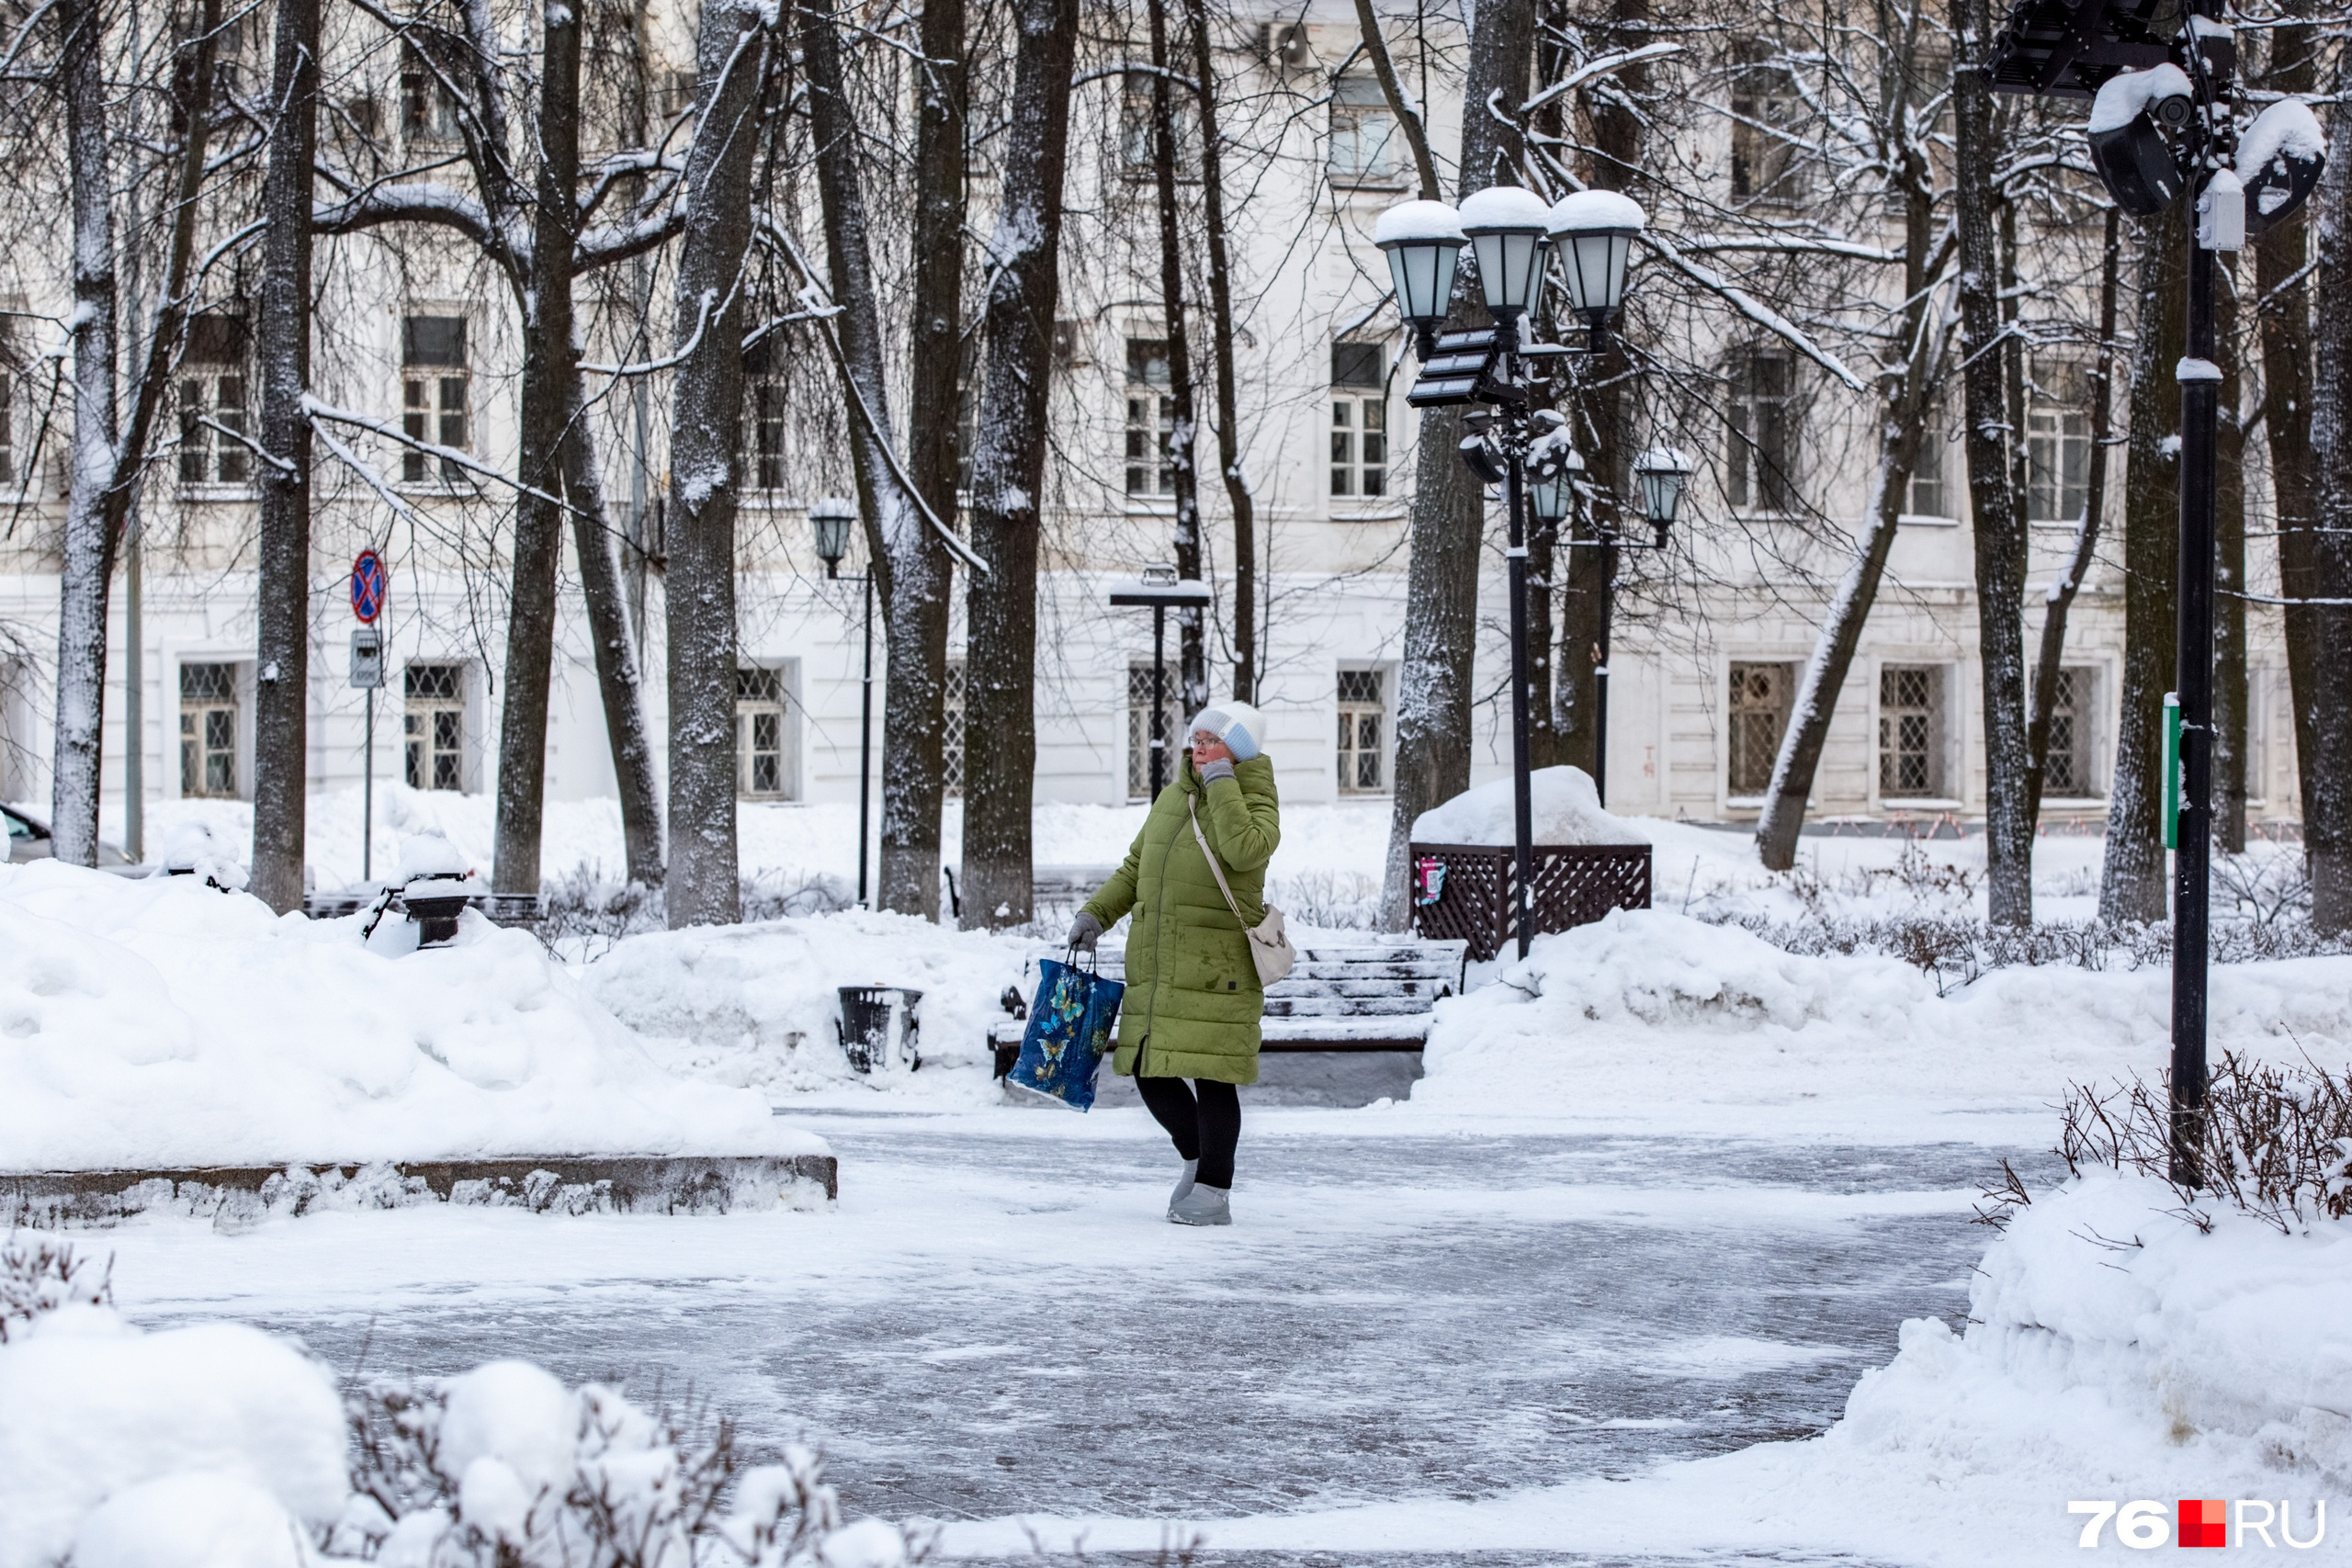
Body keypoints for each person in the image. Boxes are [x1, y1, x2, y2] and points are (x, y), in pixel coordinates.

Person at [1067, 702, 1279, 1225]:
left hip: (1217, 966)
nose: (1198, 748)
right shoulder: (1172, 798)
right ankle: (1196, 1159)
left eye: (1211, 741)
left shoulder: (1256, 800)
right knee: (1147, 1067)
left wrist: (1222, 784)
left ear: (1238, 750)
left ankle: (1214, 1189)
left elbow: (1245, 851)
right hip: (1159, 963)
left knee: (1213, 1077)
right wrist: (1096, 914)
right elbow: (1136, 867)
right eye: (1196, 739)